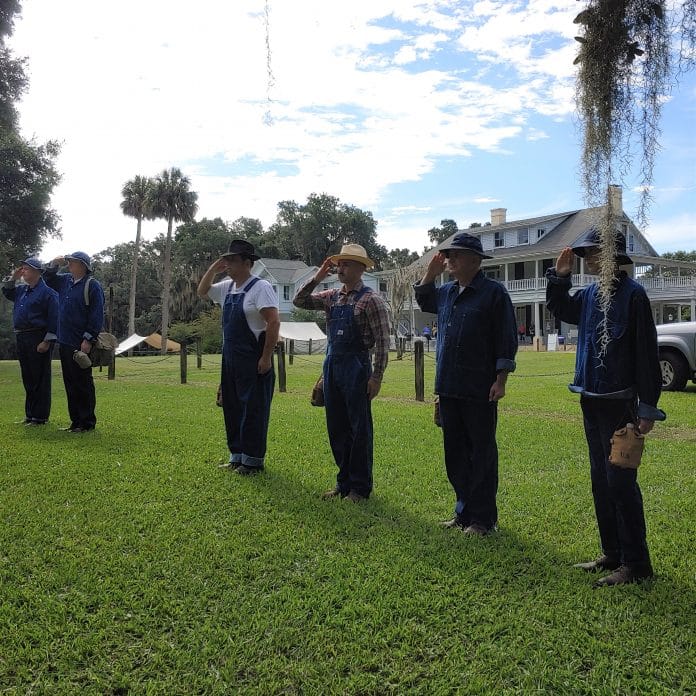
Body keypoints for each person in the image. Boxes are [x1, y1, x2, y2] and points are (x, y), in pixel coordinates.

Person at [546, 227, 665, 587]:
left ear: (613, 255)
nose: (589, 260)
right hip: (590, 400)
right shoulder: (589, 294)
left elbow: (647, 355)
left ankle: (636, 562)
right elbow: (560, 307)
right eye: (585, 255)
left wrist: (647, 408)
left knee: (620, 481)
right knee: (601, 480)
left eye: (594, 253)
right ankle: (612, 553)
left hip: (621, 404)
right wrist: (559, 276)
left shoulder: (633, 295)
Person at [415, 233, 517, 535]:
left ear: (475, 261)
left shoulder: (494, 294)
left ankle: (484, 520)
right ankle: (464, 512)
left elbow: (506, 339)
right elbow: (424, 299)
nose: (450, 260)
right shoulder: (446, 292)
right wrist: (430, 274)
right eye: (448, 256)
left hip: (479, 387)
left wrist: (501, 379)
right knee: (455, 454)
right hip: (448, 385)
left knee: (482, 454)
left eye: (456, 256)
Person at [293, 243, 390, 502]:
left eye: (347, 264)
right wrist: (317, 278)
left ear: (361, 268)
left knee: (359, 430)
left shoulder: (372, 300)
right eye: (339, 263)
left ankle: (359, 488)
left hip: (358, 369)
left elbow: (382, 342)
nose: (341, 268)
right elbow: (299, 301)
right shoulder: (331, 296)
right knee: (336, 428)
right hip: (332, 368)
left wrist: (376, 377)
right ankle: (343, 482)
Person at [197, 239, 280, 475]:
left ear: (247, 263)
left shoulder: (260, 287)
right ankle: (236, 456)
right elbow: (202, 291)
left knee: (253, 409)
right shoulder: (227, 287)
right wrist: (214, 268)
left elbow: (273, 322)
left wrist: (266, 358)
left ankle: (252, 461)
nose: (228, 265)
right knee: (232, 407)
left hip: (253, 358)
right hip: (231, 358)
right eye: (226, 260)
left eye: (232, 261)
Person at [43, 252, 105, 433]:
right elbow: (48, 279)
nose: (69, 264)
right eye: (68, 262)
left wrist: (88, 339)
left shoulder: (92, 285)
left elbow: (96, 314)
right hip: (65, 341)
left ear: (83, 266)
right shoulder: (65, 282)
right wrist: (54, 263)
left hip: (80, 342)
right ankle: (75, 421)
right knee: (70, 382)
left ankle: (87, 422)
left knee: (83, 382)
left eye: (72, 262)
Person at [2, 258, 59, 425]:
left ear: (36, 271)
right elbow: (7, 291)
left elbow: (54, 319)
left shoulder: (48, 293)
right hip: (22, 337)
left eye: (26, 269)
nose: (23, 271)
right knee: (28, 376)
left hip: (38, 337)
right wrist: (13, 277)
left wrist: (47, 341)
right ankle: (30, 414)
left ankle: (40, 416)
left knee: (40, 377)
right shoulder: (21, 291)